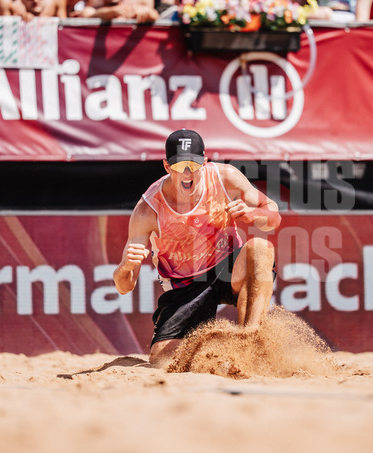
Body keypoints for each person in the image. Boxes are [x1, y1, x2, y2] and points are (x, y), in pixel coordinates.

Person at [113, 129, 280, 367]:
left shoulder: (225, 177)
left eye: (193, 164)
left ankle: (250, 341)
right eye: (180, 165)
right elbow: (124, 286)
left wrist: (253, 214)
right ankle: (219, 349)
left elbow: (273, 216)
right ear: (167, 166)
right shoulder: (148, 209)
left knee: (261, 248)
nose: (187, 173)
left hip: (227, 267)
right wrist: (126, 266)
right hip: (185, 285)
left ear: (205, 162)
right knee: (163, 361)